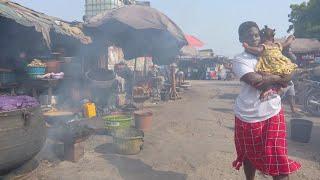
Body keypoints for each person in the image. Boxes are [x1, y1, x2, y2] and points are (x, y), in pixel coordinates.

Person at [232, 21, 301, 180]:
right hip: (246, 115)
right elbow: (257, 83)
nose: (254, 38)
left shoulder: (272, 52)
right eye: (249, 35)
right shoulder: (239, 60)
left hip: (272, 112)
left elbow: (290, 71)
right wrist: (279, 78)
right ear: (240, 39)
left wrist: (273, 78)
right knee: (249, 154)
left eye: (257, 34)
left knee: (279, 159)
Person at [243, 26, 298, 99]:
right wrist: (291, 37)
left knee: (264, 76)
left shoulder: (264, 46)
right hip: (282, 65)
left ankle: (267, 89)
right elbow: (287, 43)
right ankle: (277, 89)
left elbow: (258, 50)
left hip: (270, 66)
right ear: (273, 38)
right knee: (284, 77)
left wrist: (247, 47)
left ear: (262, 38)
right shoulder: (277, 45)